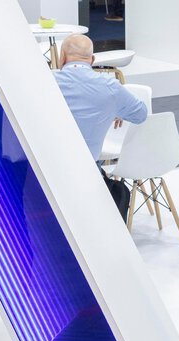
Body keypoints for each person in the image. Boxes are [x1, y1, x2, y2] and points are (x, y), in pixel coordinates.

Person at [54, 34, 147, 218]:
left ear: (62, 57)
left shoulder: (45, 81)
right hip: (88, 173)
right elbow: (140, 114)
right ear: (93, 59)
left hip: (49, 170)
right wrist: (116, 108)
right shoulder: (110, 87)